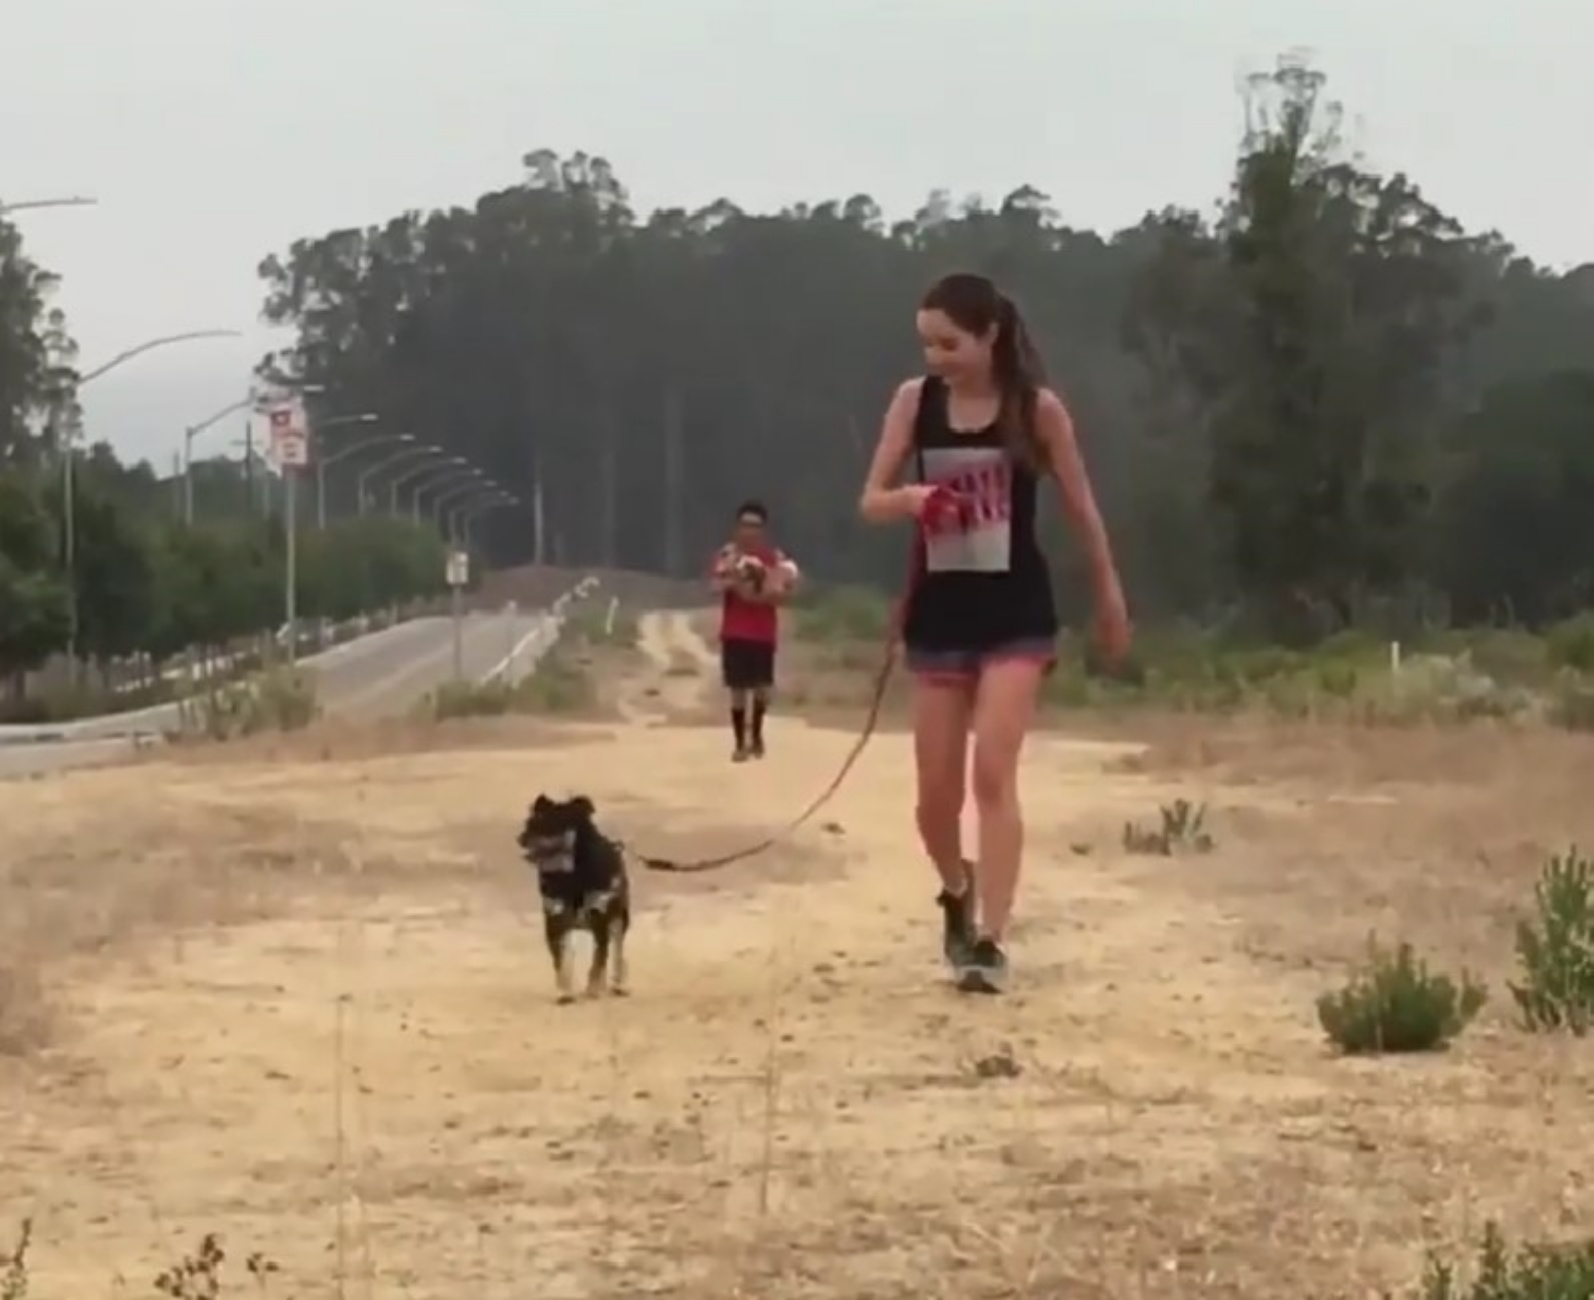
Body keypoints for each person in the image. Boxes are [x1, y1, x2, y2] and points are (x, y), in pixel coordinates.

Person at [857, 271, 1130, 995]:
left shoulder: (1036, 411)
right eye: (927, 344)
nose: (935, 356)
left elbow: (1082, 509)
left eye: (949, 342)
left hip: (1016, 615)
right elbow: (870, 501)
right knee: (934, 796)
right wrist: (911, 499)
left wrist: (1108, 595)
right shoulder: (915, 404)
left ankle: (990, 940)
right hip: (941, 617)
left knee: (993, 772)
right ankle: (956, 888)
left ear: (991, 336)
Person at [710, 499, 800, 762]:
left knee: (761, 688)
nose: (750, 530)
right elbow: (713, 585)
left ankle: (757, 735)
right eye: (746, 525)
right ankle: (740, 743)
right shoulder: (728, 556)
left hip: (763, 631)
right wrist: (733, 580)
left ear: (763, 530)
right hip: (735, 631)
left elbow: (786, 589)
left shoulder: (775, 558)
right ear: (737, 527)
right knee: (738, 690)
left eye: (756, 526)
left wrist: (766, 589)